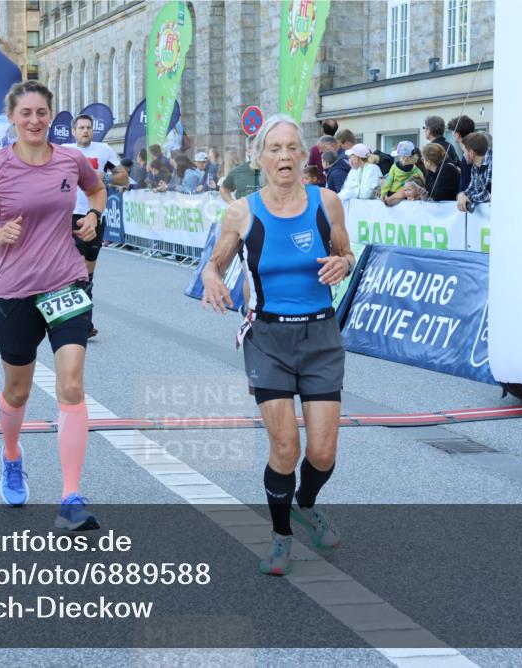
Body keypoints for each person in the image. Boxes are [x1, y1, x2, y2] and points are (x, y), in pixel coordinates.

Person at [0, 80, 106, 531]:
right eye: (26, 113)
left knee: (71, 386)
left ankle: (70, 496)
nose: (35, 120)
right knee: (18, 391)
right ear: (13, 119)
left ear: (51, 116)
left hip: (66, 282)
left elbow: (96, 191)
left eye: (42, 113)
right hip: (14, 290)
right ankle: (12, 455)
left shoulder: (71, 159)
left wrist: (94, 216)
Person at [200, 114, 353, 576]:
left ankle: (306, 504)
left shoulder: (326, 202)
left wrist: (343, 264)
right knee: (285, 446)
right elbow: (215, 263)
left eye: (291, 148)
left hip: (321, 336)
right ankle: (282, 535)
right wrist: (211, 278)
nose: (284, 156)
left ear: (301, 154)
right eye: (275, 149)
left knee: (323, 453)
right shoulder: (242, 212)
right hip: (267, 336)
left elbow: (347, 252)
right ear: (260, 158)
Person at [63, 114, 120, 338]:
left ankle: (82, 321)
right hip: (70, 215)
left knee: (88, 274)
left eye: (89, 128)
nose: (86, 131)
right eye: (81, 128)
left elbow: (123, 177)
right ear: (73, 131)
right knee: (74, 270)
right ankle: (81, 323)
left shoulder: (104, 149)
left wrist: (104, 178)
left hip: (95, 215)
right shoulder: (64, 150)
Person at [456, 132, 493, 213]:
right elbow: (471, 189)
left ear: (471, 153)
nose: (463, 155)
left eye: (464, 152)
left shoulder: (493, 162)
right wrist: (462, 195)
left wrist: (468, 199)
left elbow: (488, 194)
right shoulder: (475, 168)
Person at [381, 141, 425, 206]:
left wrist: (383, 193)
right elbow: (422, 177)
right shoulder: (414, 168)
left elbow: (388, 181)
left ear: (402, 156)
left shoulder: (394, 167)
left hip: (392, 193)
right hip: (406, 195)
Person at [220, 138, 262, 203]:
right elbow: (224, 188)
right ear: (248, 151)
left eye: (262, 148)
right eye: (257, 148)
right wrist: (232, 203)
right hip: (246, 212)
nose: (260, 152)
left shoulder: (273, 170)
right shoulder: (237, 171)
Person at [447, 115, 477, 192]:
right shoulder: (472, 151)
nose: (452, 135)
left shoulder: (468, 154)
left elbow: (467, 182)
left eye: (453, 132)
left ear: (457, 135)